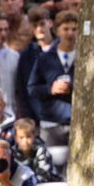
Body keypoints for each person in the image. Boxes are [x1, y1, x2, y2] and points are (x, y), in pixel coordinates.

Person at [28, 10, 77, 147]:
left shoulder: (84, 58)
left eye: (74, 29)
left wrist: (72, 87)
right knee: (50, 166)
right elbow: (32, 89)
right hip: (51, 124)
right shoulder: (45, 58)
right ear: (57, 30)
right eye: (66, 29)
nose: (70, 33)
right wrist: (51, 89)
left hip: (76, 124)